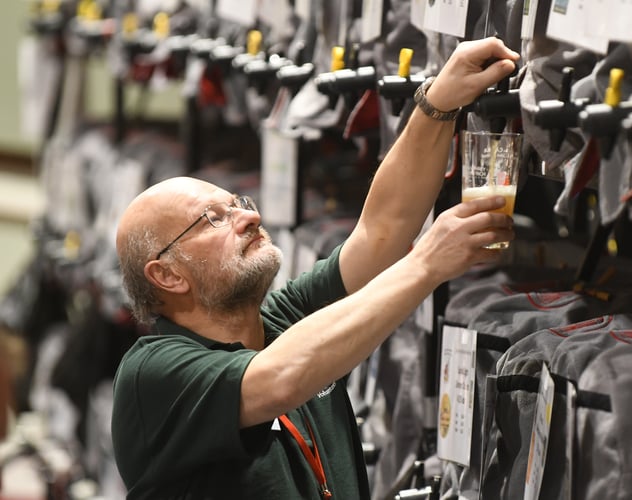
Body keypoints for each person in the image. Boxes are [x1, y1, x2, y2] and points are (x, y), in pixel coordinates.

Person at [111, 36, 519, 499]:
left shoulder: (283, 323)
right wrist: (426, 264)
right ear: (167, 275)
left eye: (238, 203)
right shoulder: (154, 373)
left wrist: (439, 101)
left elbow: (382, 229)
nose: (251, 216)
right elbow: (279, 379)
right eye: (213, 219)